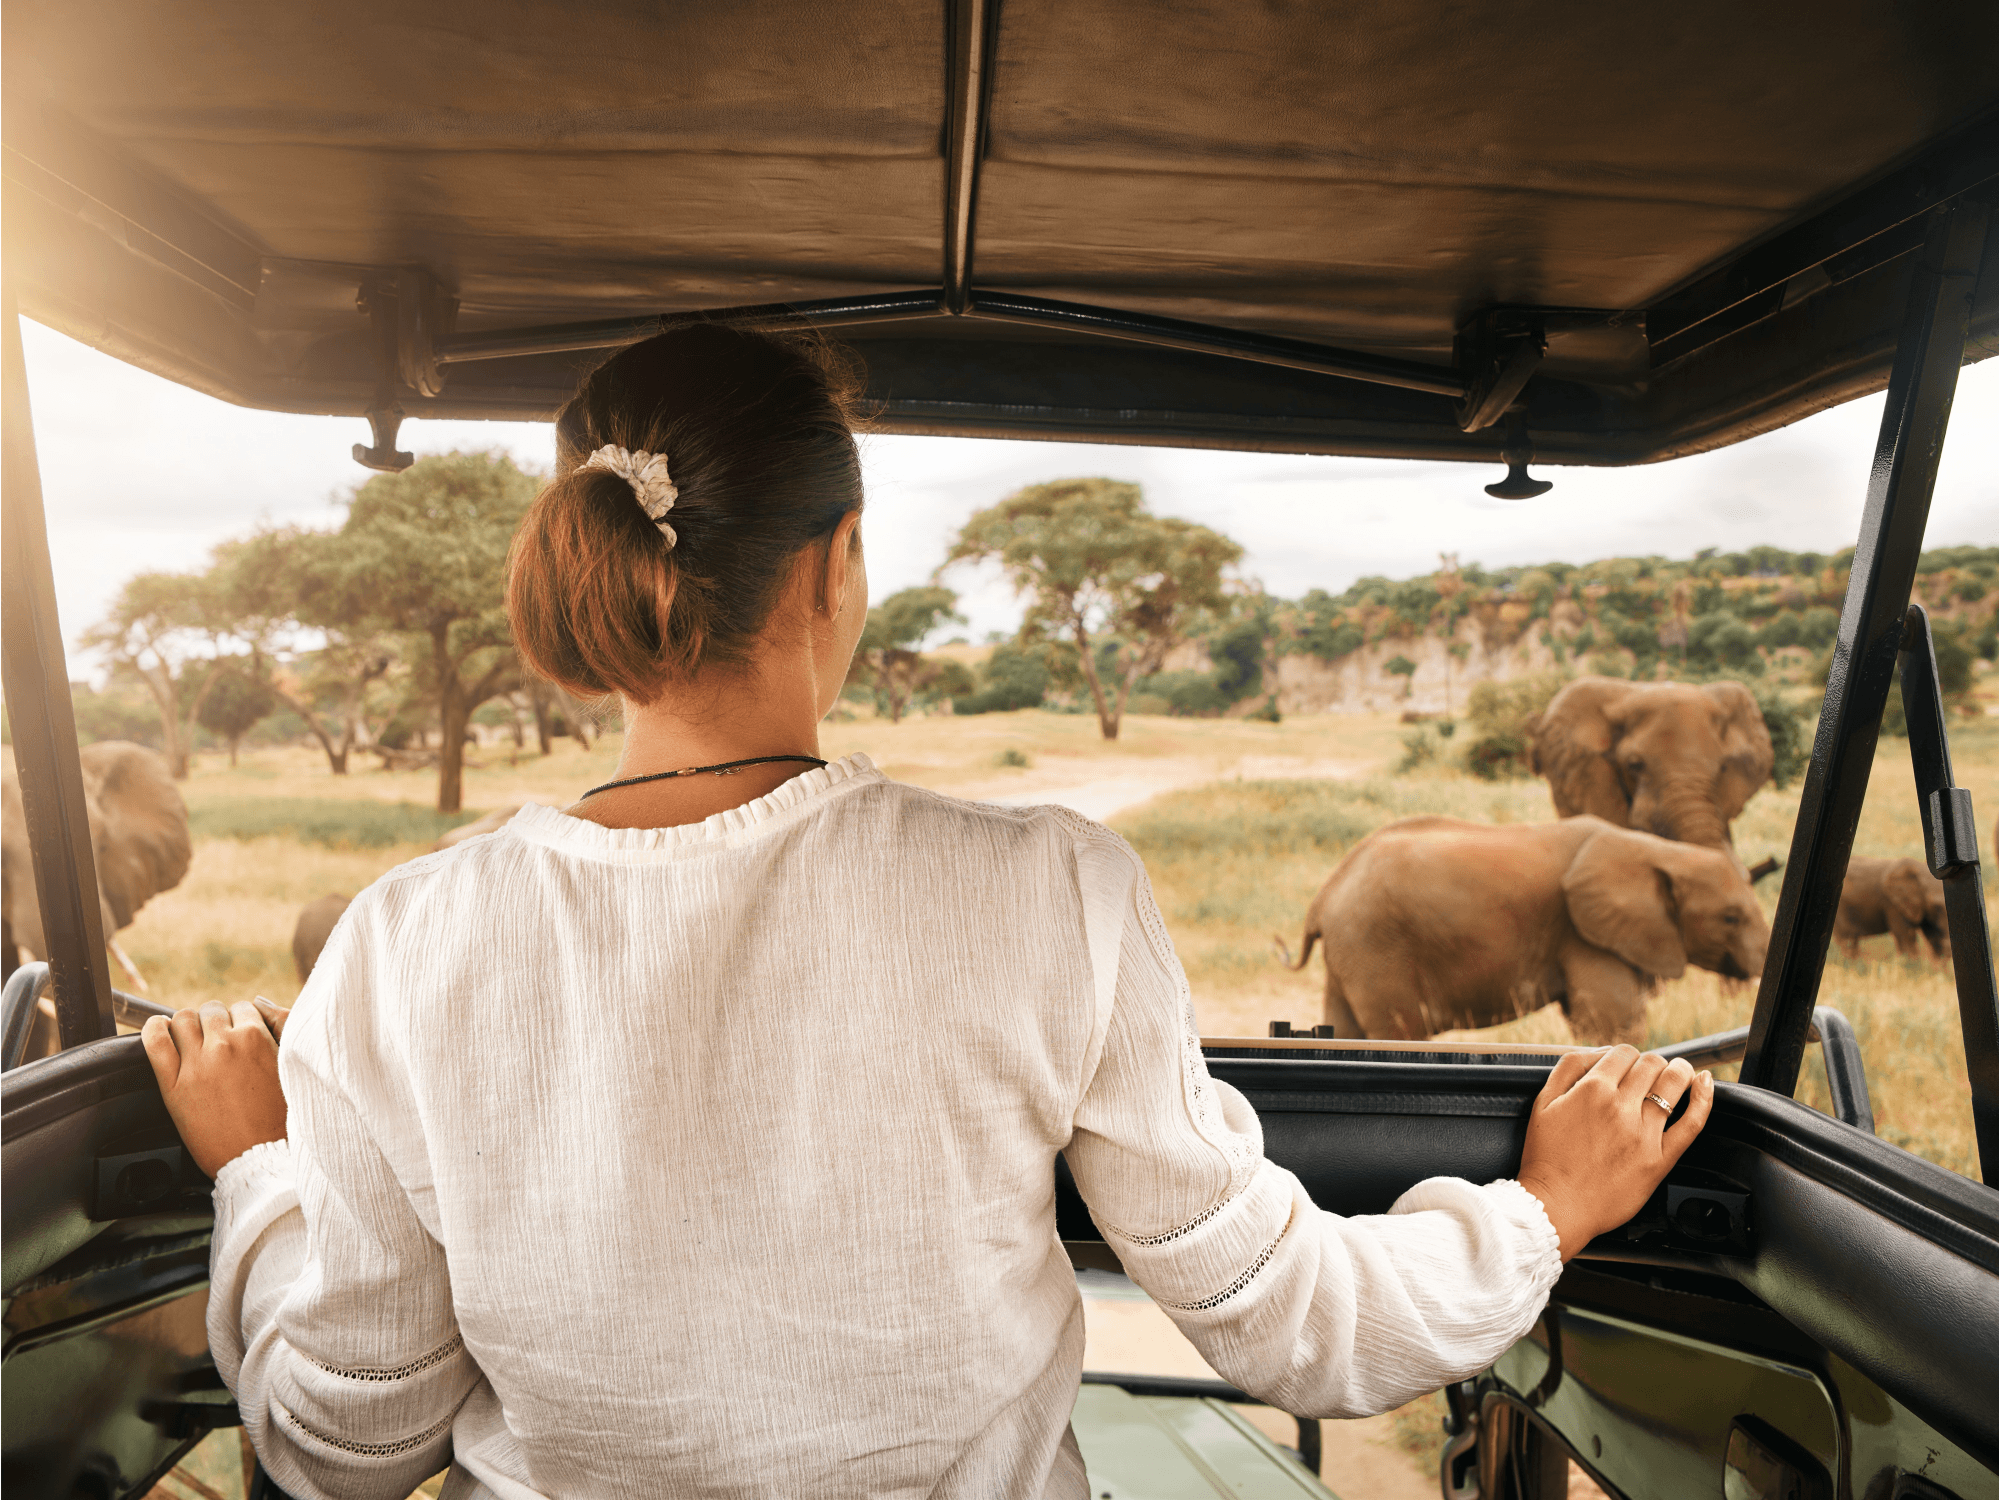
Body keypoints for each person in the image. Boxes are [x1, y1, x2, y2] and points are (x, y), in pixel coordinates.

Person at [144, 323, 1712, 1500]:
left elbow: (341, 1442)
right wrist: (1541, 1212)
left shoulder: (403, 944)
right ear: (837, 568)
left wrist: (263, 1171)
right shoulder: (1046, 889)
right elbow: (1289, 1326)